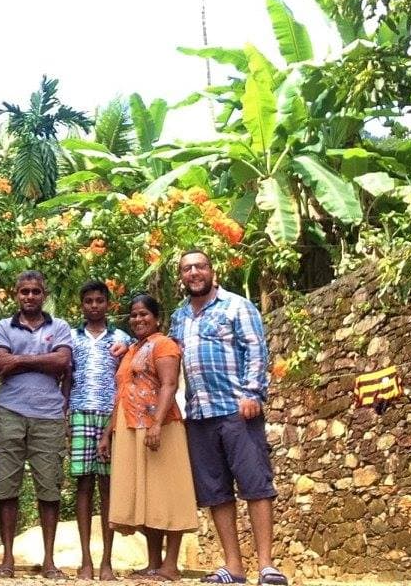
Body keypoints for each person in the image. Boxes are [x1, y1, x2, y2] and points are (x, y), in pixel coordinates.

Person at [169, 250, 287, 586]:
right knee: (215, 492)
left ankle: (266, 565)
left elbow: (255, 348)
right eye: (187, 268)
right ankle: (233, 566)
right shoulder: (179, 317)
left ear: (211, 271)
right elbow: (169, 357)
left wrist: (253, 394)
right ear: (182, 276)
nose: (194, 272)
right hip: (198, 413)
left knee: (256, 484)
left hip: (237, 409)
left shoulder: (236, 306)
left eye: (200, 266)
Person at [99, 294, 198, 582]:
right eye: (133, 315)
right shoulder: (132, 349)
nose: (138, 319)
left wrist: (156, 425)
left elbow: (168, 384)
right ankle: (153, 563)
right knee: (148, 497)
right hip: (130, 429)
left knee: (169, 494)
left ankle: (170, 565)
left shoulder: (164, 344)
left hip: (161, 428)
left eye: (144, 314)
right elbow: (121, 394)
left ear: (156, 318)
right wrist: (107, 434)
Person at [0, 270, 73, 579]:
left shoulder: (60, 326)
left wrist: (19, 360)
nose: (30, 296)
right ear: (16, 294)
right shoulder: (2, 327)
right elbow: (1, 363)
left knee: (49, 487)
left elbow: (62, 361)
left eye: (35, 291)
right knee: (6, 486)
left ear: (44, 294)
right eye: (24, 291)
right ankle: (7, 561)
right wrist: (43, 359)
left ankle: (49, 562)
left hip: (49, 415)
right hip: (10, 411)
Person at [64, 280, 131, 581]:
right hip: (79, 414)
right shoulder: (71, 337)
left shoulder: (121, 338)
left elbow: (127, 379)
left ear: (108, 304)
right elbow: (66, 376)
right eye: (88, 301)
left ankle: (107, 561)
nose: (94, 305)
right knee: (83, 486)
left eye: (99, 300)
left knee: (108, 489)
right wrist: (64, 413)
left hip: (111, 416)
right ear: (82, 305)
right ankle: (86, 560)